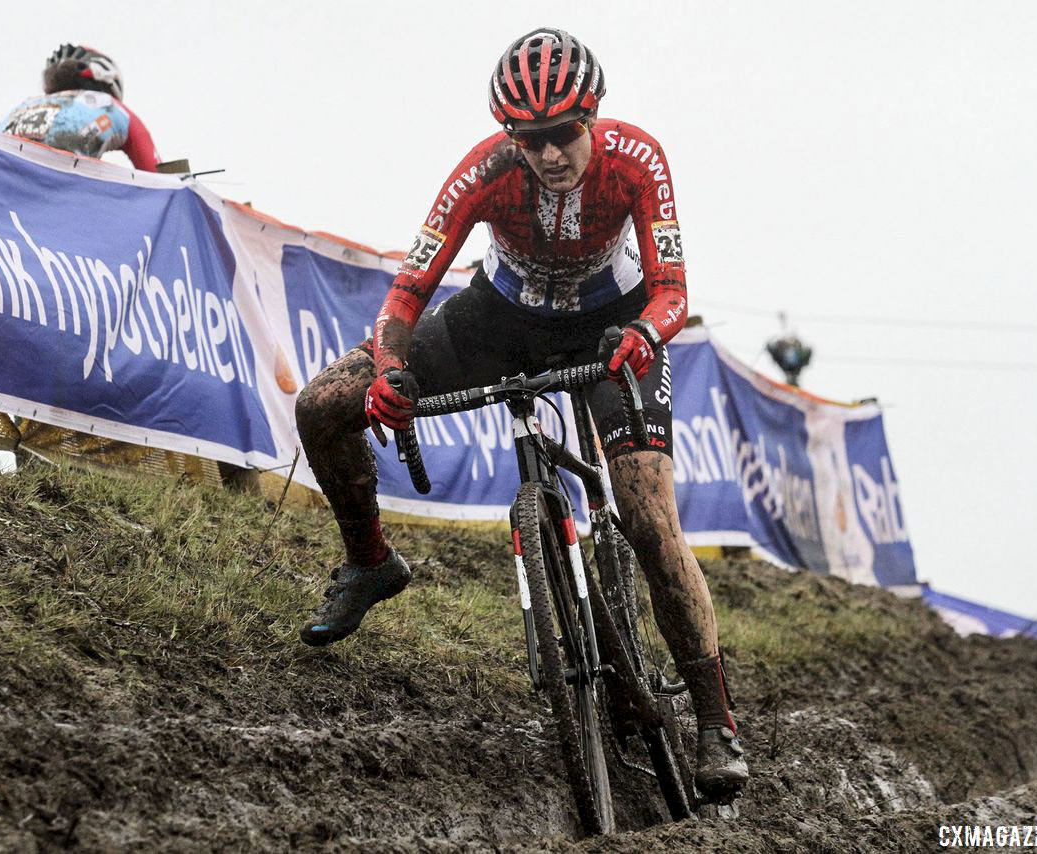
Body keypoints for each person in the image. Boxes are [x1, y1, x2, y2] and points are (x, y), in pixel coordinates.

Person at [294, 28, 747, 799]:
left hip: (614, 328)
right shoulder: (486, 171)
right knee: (322, 404)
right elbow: (407, 292)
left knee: (646, 514)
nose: (548, 154)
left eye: (564, 134)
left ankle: (714, 720)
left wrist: (645, 332)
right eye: (529, 138)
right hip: (497, 318)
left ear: (593, 117)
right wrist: (395, 369)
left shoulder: (636, 160)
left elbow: (673, 287)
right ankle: (371, 562)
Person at [0, 44, 160, 171]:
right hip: (64, 175)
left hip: (1, 161)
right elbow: (159, 177)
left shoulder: (26, 104)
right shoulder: (112, 106)